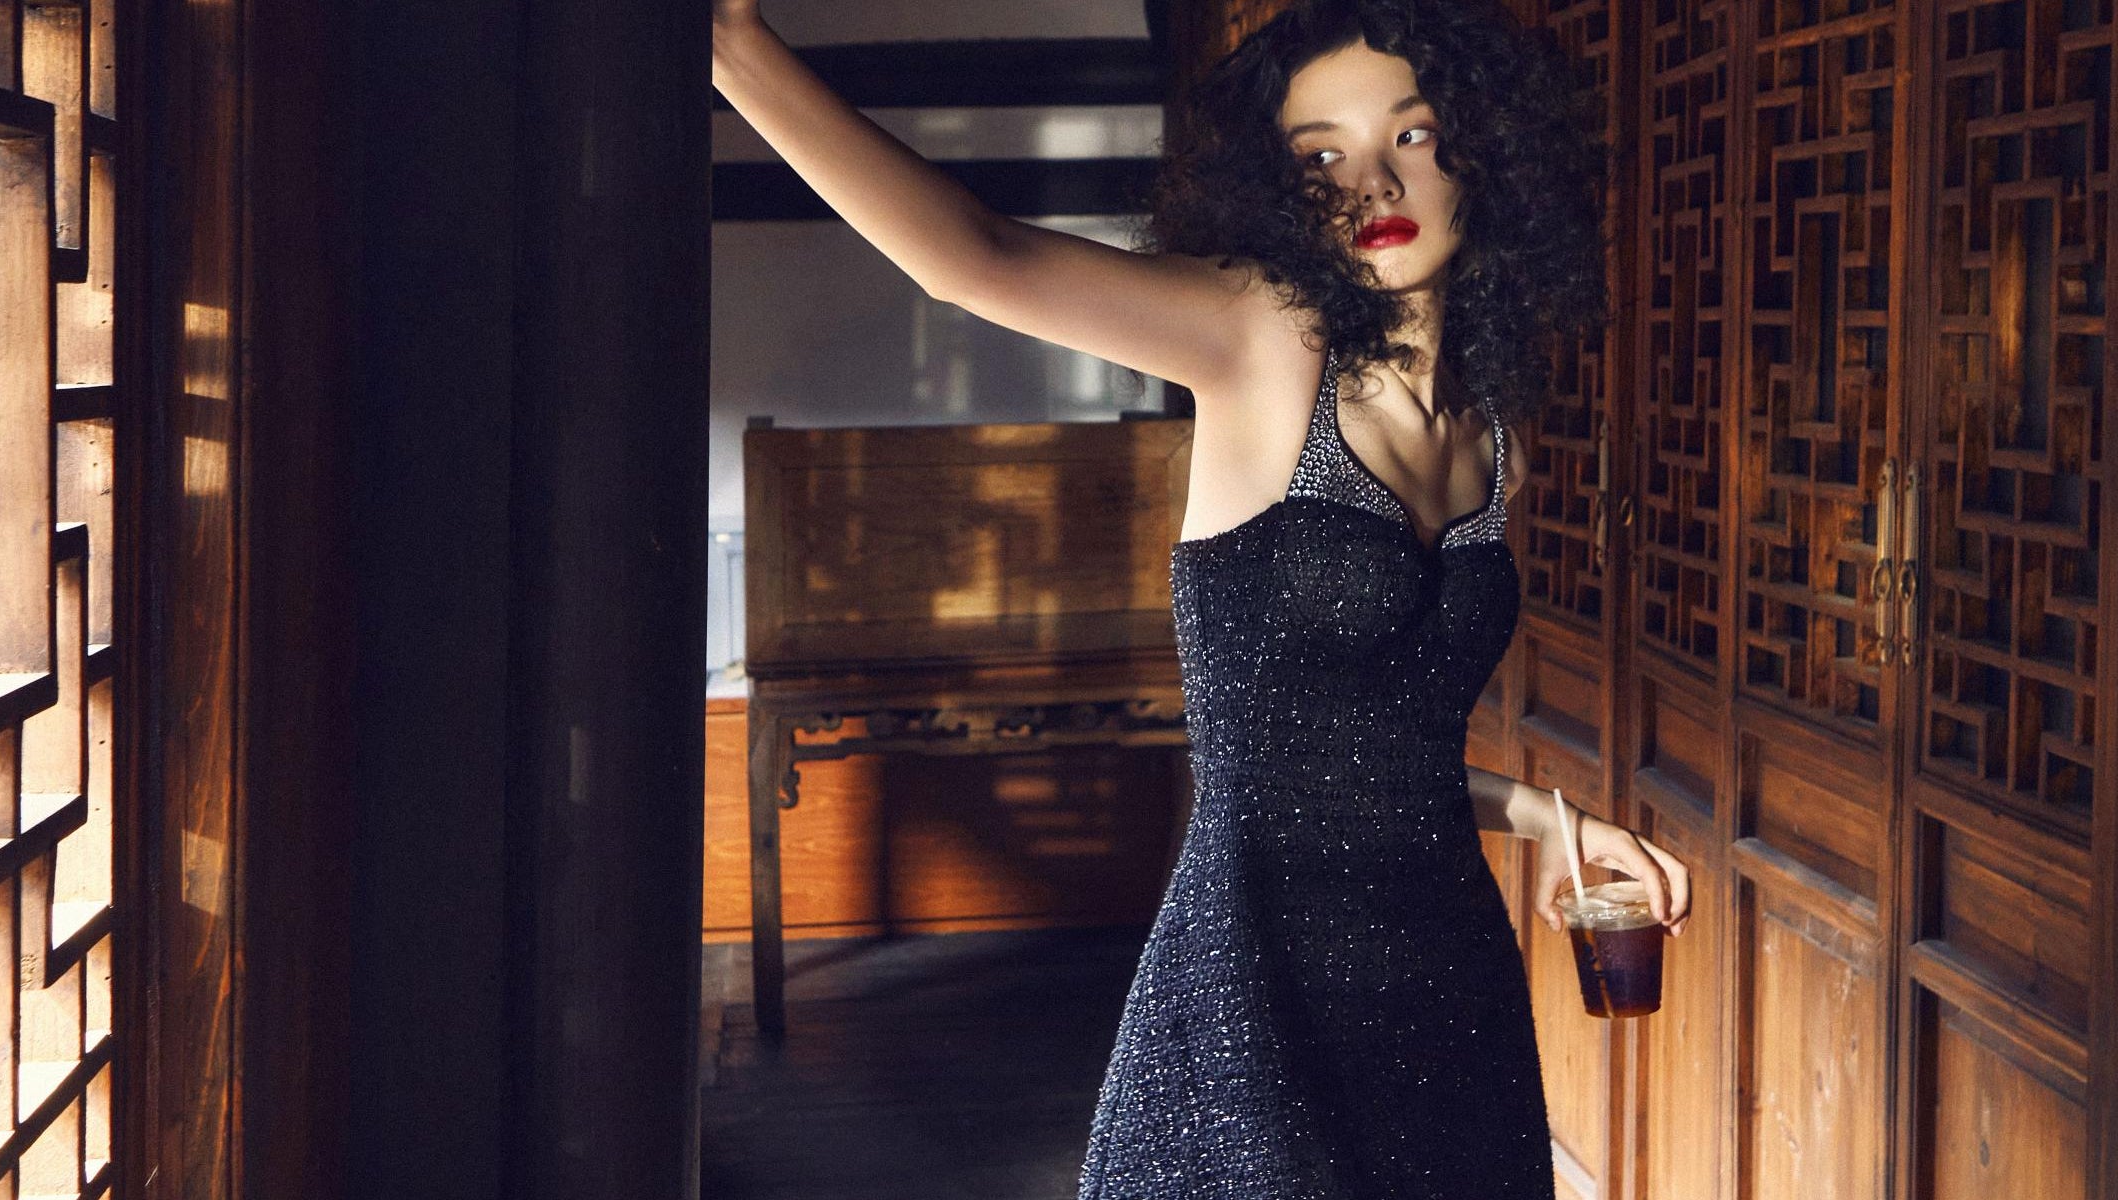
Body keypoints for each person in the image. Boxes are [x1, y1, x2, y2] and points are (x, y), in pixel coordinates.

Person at [710, 0, 1692, 1193]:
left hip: (1445, 975)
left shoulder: (1494, 432)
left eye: (1413, 134)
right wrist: (731, 46)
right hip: (1260, 980)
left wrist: (1554, 820)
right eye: (1321, 156)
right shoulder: (1264, 338)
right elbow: (979, 258)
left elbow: (1369, 758)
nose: (1373, 182)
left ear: (1485, 149)